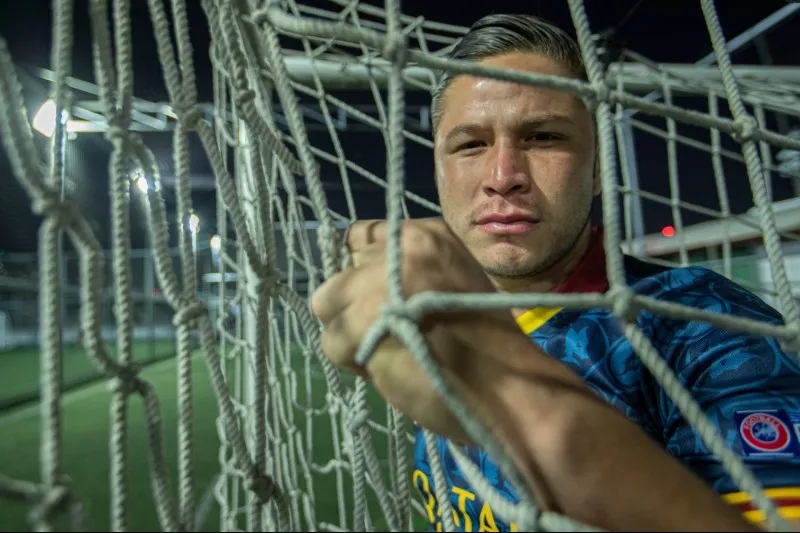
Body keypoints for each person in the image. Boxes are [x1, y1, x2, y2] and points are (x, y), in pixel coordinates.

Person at [310, 13, 800, 532]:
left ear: (596, 171)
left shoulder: (712, 330)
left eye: (543, 137)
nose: (503, 177)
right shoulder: (434, 317)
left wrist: (517, 402)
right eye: (471, 144)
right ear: (439, 170)